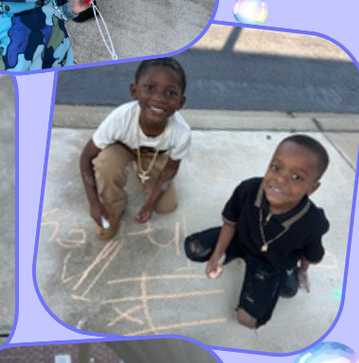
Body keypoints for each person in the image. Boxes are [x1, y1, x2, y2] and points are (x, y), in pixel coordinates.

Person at [184, 135, 330, 329]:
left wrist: (301, 272)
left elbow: (311, 253)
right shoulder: (249, 189)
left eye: (297, 177)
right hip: (241, 239)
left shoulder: (312, 222)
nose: (279, 179)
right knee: (194, 248)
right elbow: (231, 221)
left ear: (312, 188)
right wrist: (217, 255)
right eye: (276, 168)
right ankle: (234, 255)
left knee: (249, 320)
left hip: (270, 263)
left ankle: (286, 277)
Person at [79, 58, 190, 241]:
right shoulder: (120, 118)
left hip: (155, 156)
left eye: (171, 93)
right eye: (150, 88)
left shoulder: (181, 132)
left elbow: (171, 169)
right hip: (123, 148)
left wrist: (149, 204)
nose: (159, 98)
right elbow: (85, 157)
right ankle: (113, 210)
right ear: (134, 91)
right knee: (105, 163)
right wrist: (94, 202)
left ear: (180, 102)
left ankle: (140, 169)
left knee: (165, 207)